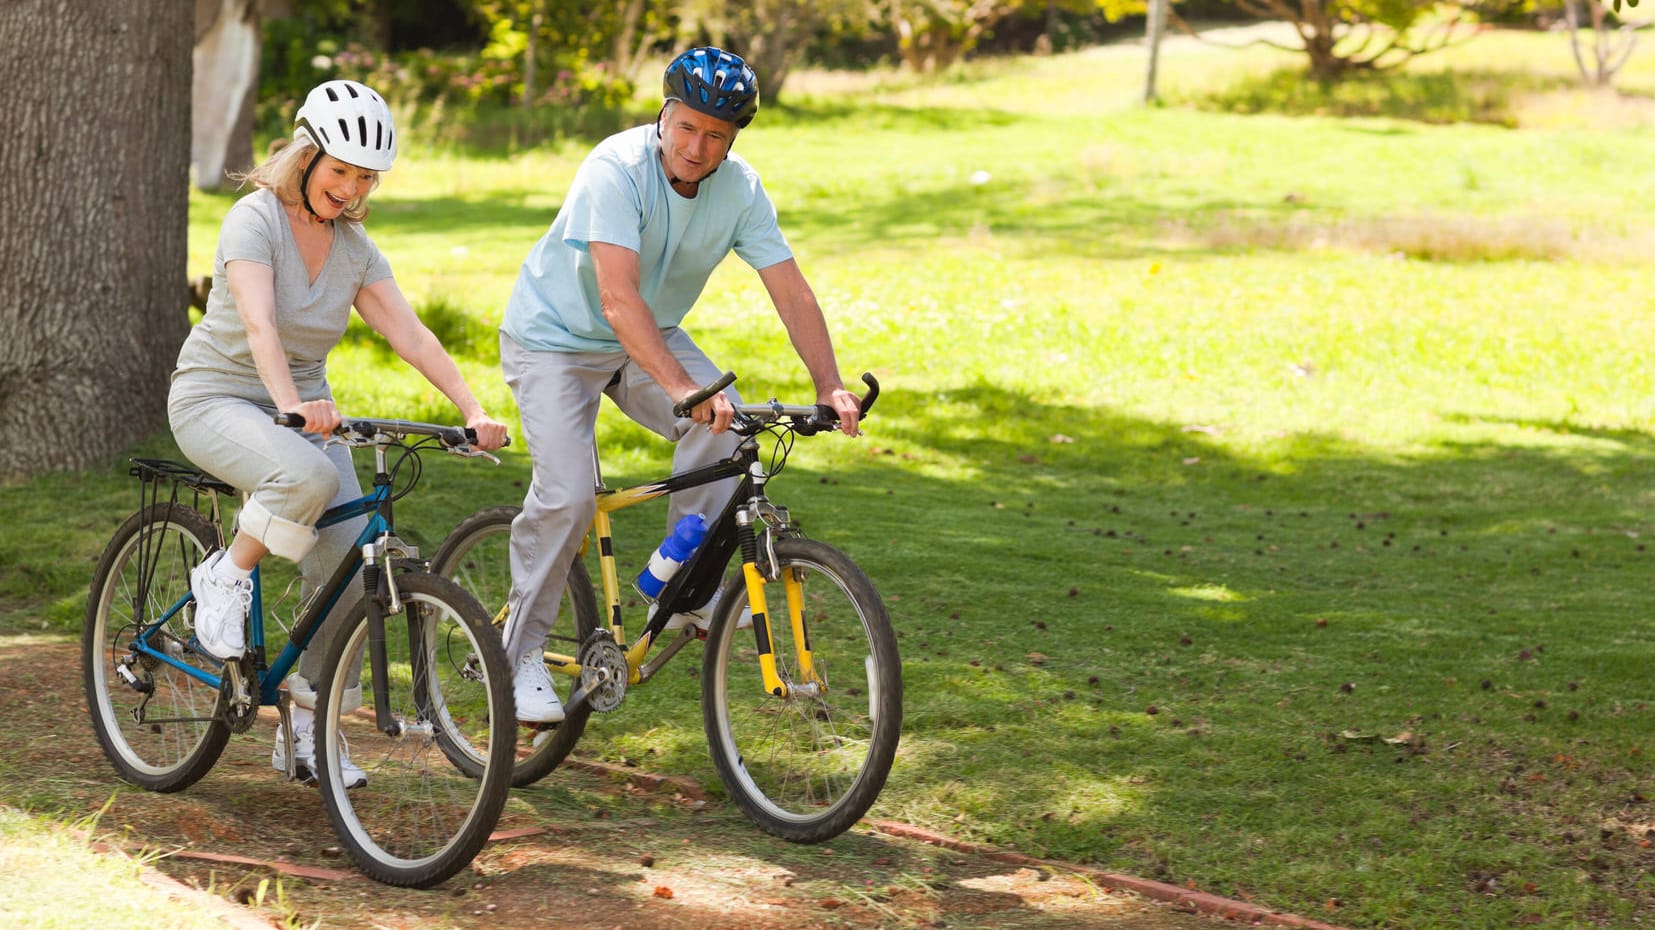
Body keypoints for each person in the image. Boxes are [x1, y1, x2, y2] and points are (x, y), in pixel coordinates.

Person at [497, 47, 862, 724]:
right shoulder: (614, 168)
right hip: (554, 339)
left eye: (715, 136)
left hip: (648, 333)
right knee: (568, 494)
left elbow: (791, 289)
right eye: (686, 127)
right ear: (664, 115)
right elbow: (615, 299)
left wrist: (829, 383)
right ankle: (517, 652)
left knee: (729, 432)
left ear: (732, 140)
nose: (696, 147)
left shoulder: (740, 189)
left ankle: (680, 591)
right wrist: (682, 388)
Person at [168, 79, 509, 786]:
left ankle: (307, 727)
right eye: (340, 170)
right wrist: (291, 404)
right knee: (310, 476)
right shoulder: (254, 220)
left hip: (302, 408)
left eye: (365, 177)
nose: (351, 189)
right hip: (216, 396)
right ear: (306, 154)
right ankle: (224, 576)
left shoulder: (354, 248)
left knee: (352, 563)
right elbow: (260, 323)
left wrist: (473, 410)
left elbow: (411, 335)